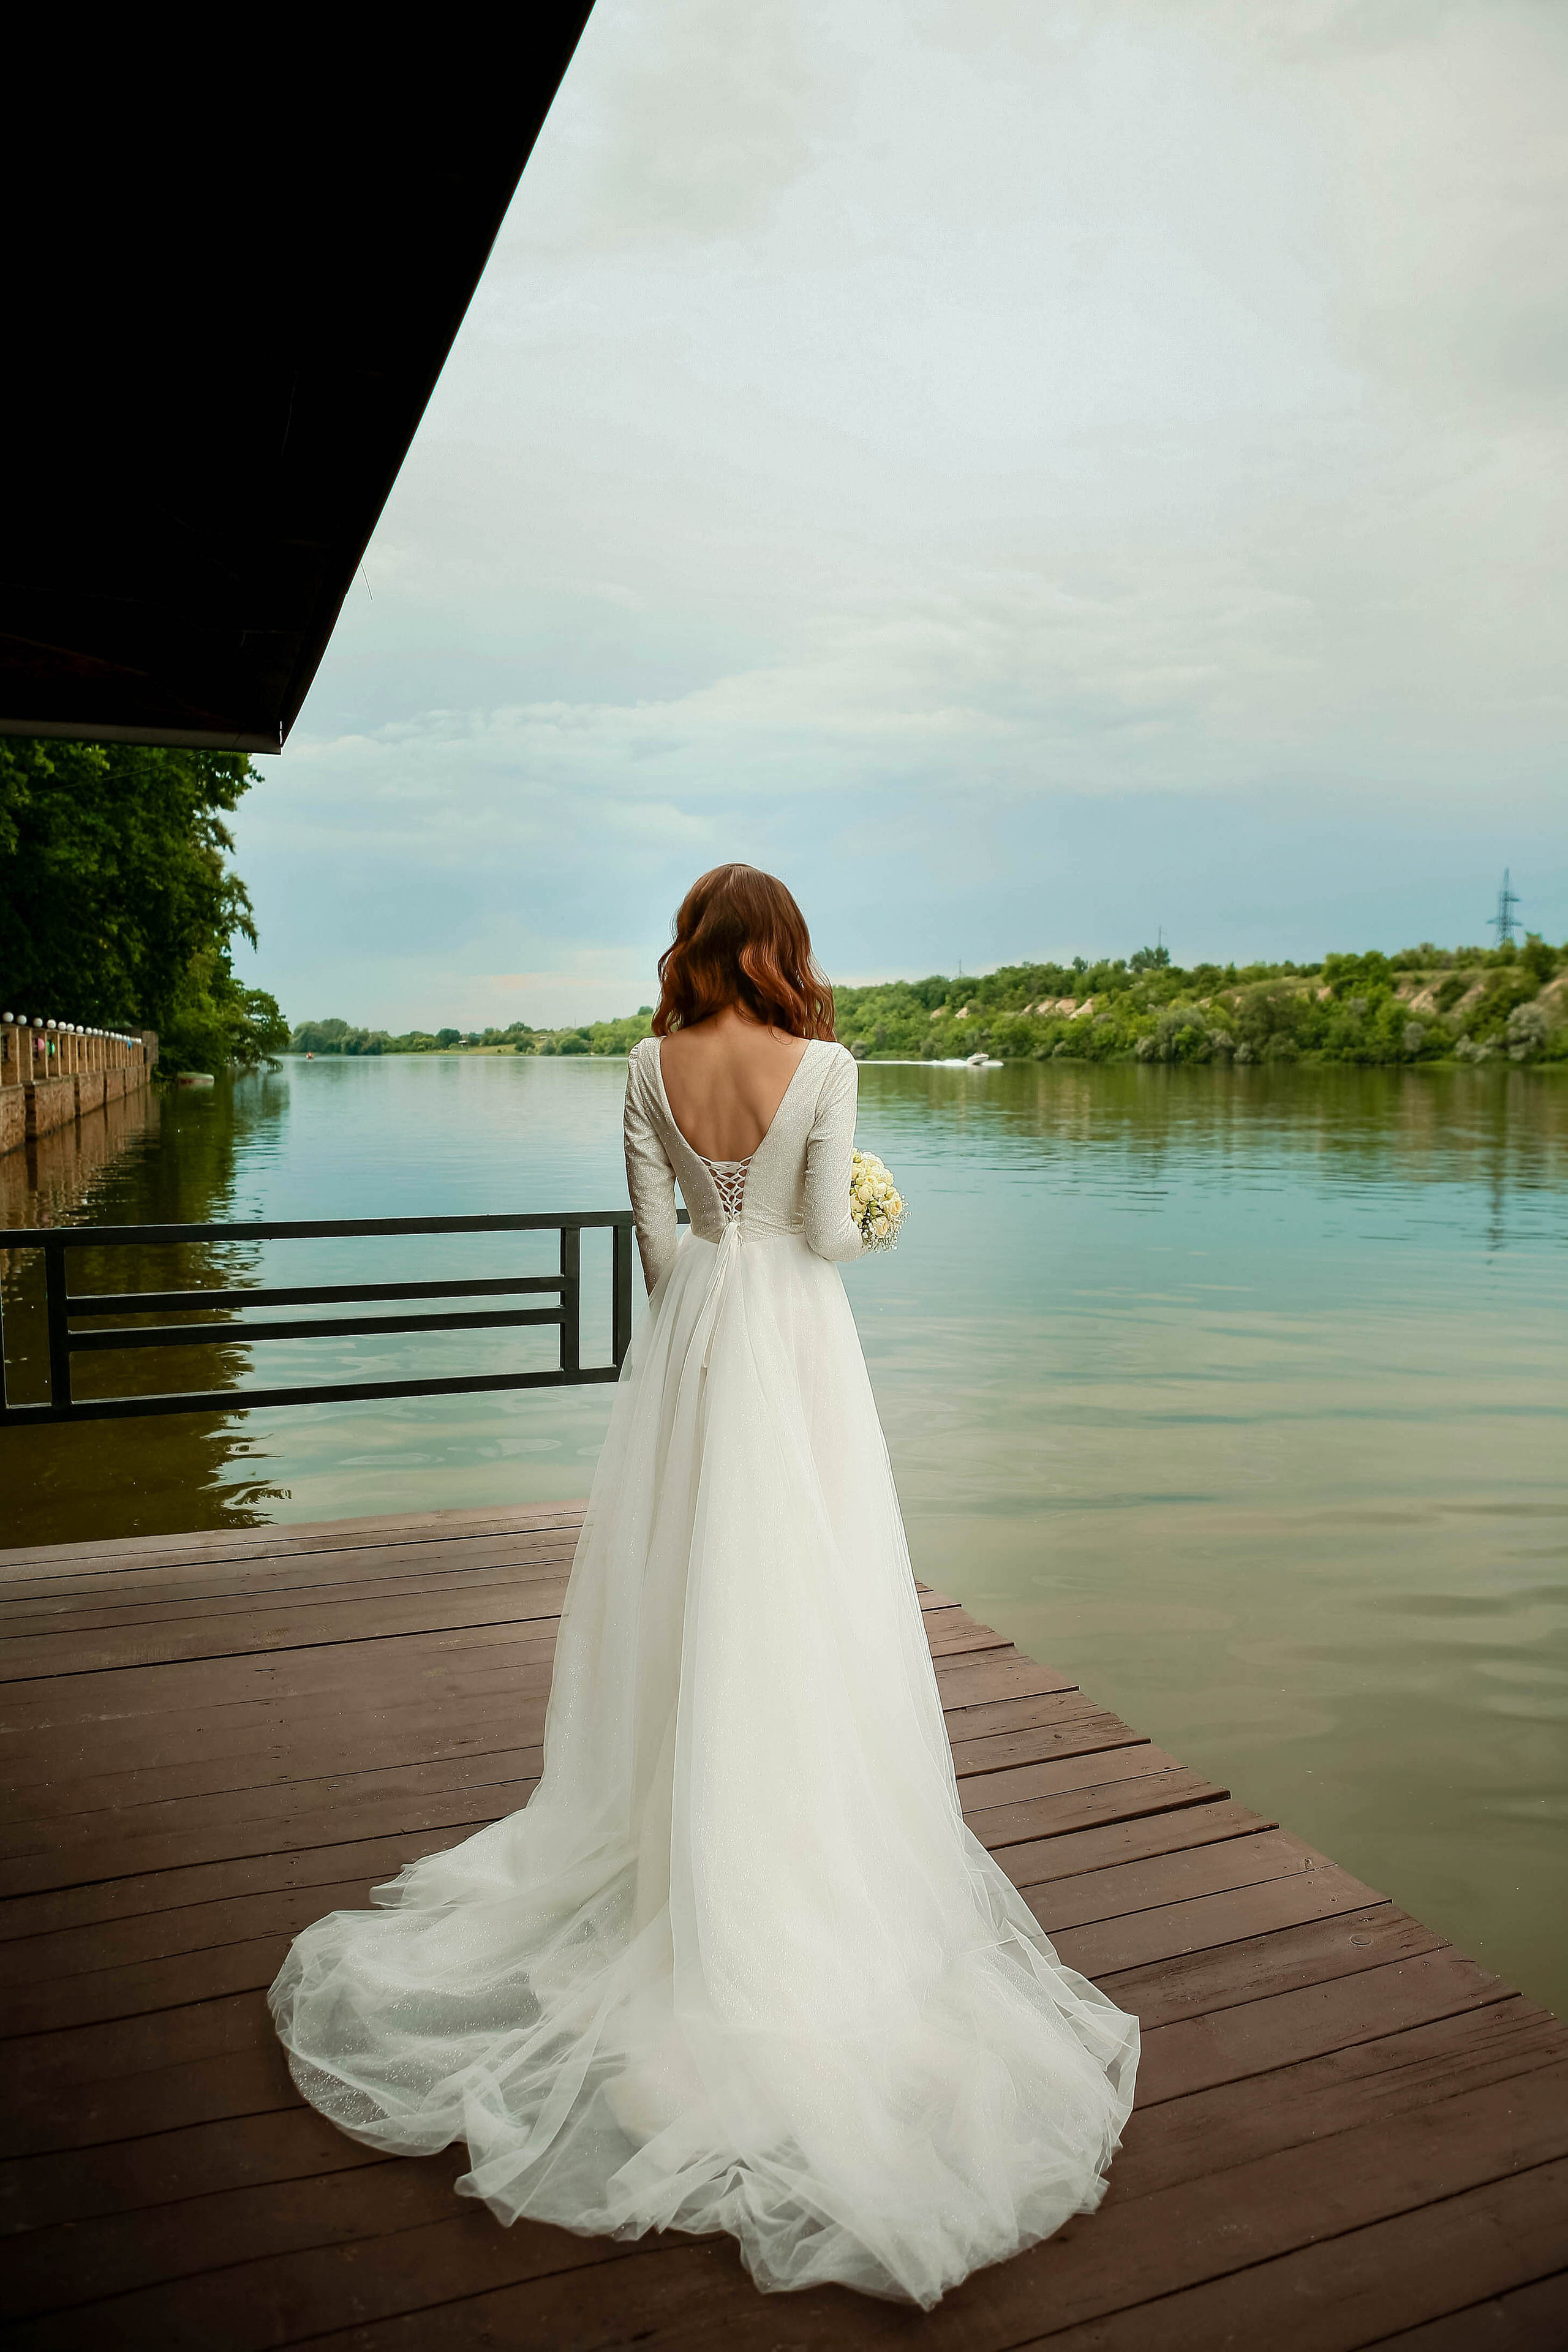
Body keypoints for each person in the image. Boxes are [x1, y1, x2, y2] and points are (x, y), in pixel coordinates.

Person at [270, 864, 1137, 2307]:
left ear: (692, 947)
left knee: (681, 1588)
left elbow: (659, 1241)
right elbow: (828, 1235)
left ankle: (675, 1824)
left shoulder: (638, 1061)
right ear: (782, 950)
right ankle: (787, 1840)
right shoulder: (829, 1063)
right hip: (798, 1353)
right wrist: (871, 1206)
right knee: (808, 1594)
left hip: (690, 1356)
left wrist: (702, 1323)